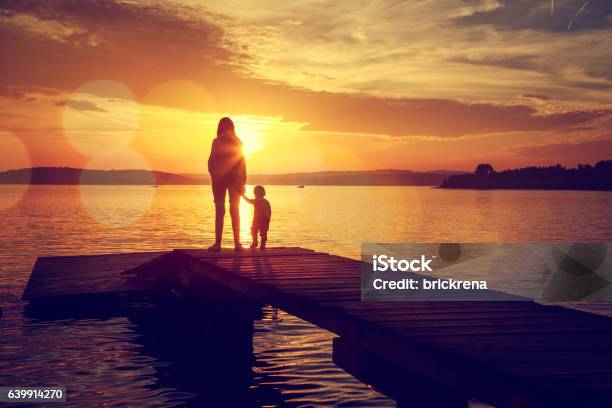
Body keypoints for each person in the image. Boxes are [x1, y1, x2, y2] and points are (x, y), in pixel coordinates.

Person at [207, 117, 246, 251]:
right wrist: (213, 175)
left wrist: (243, 182)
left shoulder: (238, 143)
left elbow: (242, 163)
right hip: (219, 181)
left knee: (234, 211)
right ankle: (218, 243)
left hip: (235, 181)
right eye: (223, 127)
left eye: (227, 126)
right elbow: (211, 160)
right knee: (220, 211)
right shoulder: (216, 142)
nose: (225, 129)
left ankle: (237, 243)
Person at [242, 185, 272, 249]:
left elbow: (249, 201)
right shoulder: (266, 201)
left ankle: (256, 242)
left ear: (261, 193)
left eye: (256, 193)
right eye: (255, 193)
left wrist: (242, 195)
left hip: (261, 219)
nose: (255, 194)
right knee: (261, 232)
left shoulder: (258, 200)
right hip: (263, 218)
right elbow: (269, 210)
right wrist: (268, 218)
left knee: (255, 231)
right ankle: (261, 244)